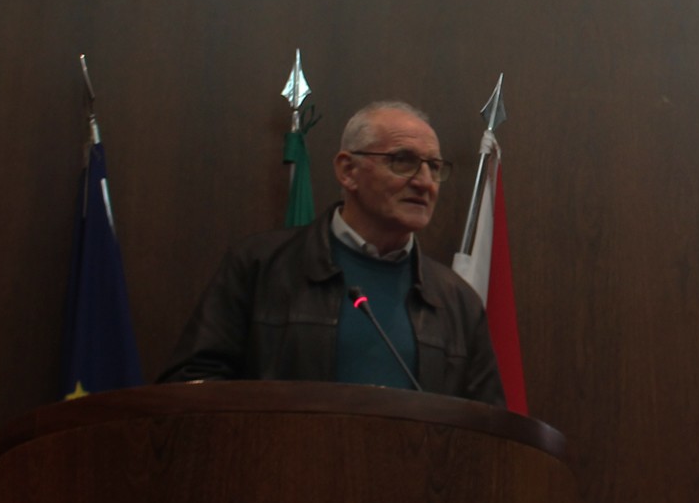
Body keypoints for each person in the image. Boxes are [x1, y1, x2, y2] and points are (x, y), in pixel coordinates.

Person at [160, 101, 504, 404]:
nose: (425, 182)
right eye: (403, 161)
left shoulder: (458, 301)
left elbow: (487, 426)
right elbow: (192, 385)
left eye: (434, 167)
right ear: (347, 170)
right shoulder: (260, 266)